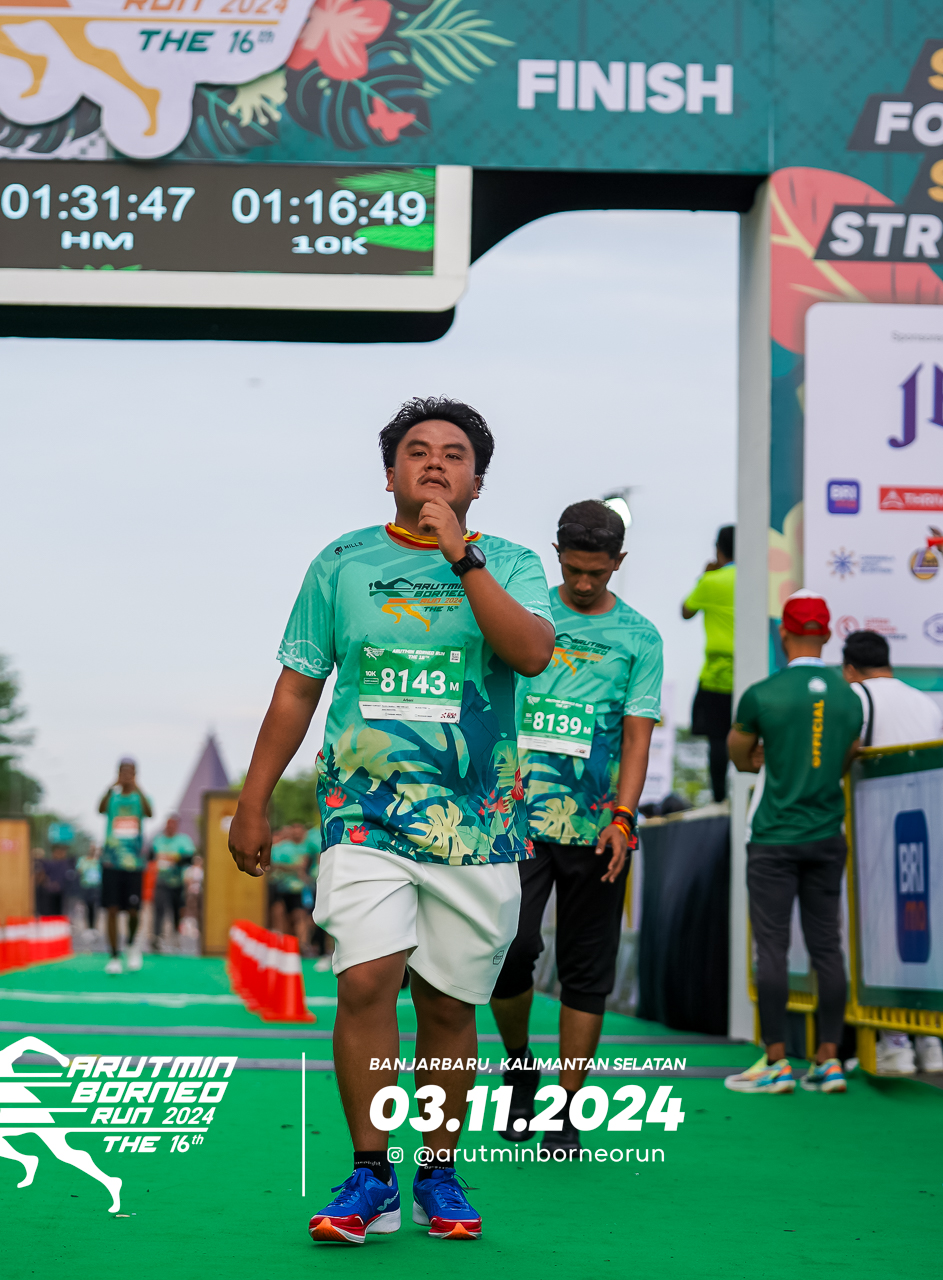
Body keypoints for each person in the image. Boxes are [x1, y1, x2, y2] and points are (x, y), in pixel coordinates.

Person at [228, 397, 552, 1244]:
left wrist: (461, 556)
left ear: (478, 481)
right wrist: (254, 799)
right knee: (366, 981)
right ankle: (370, 1172)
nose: (435, 463)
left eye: (454, 454)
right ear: (389, 474)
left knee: (447, 1003)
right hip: (364, 812)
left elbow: (530, 653)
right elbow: (298, 687)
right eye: (417, 450)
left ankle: (437, 1174)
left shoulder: (512, 563)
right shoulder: (341, 563)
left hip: (477, 823)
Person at [491, 500, 660, 1154]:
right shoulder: (526, 615)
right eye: (573, 569)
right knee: (511, 949)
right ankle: (519, 1064)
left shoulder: (641, 638)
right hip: (515, 820)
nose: (585, 583)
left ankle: (565, 1108)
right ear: (557, 555)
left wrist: (624, 816)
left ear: (620, 562)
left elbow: (638, 738)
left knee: (587, 970)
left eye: (598, 572)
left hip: (598, 828)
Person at [723, 591, 862, 1096]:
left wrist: (768, 755)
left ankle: (778, 1061)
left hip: (774, 837)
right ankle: (830, 1060)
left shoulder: (763, 694)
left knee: (772, 948)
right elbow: (847, 754)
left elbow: (740, 757)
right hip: (827, 834)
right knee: (828, 947)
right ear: (826, 634)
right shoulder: (851, 697)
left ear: (783, 633)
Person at [837, 631, 943, 1076]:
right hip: (925, 832)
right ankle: (931, 1041)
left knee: (880, 937)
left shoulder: (855, 698)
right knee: (921, 939)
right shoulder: (926, 703)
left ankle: (895, 1043)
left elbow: (844, 755)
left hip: (876, 833)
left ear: (850, 669)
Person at [682, 525, 736, 801]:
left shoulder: (711, 581)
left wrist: (705, 576)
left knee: (717, 739)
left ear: (718, 549)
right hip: (751, 672)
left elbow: (686, 611)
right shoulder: (756, 580)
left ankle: (719, 799)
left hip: (716, 674)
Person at [97, 758, 153, 974]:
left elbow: (150, 813)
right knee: (111, 909)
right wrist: (111, 786)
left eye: (130, 772)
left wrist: (138, 787)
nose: (126, 776)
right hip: (111, 861)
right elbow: (99, 809)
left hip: (134, 864)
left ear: (136, 774)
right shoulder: (112, 797)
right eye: (123, 772)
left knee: (133, 911)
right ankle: (113, 956)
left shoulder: (140, 798)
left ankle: (131, 945)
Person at [267, 820, 315, 952]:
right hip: (281, 887)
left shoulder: (308, 847)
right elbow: (273, 865)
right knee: (281, 916)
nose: (296, 832)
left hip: (300, 889)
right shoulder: (280, 848)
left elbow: (307, 864)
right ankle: (284, 946)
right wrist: (293, 868)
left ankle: (303, 946)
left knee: (300, 916)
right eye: (294, 829)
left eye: (299, 829)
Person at [148, 815, 195, 949]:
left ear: (176, 826)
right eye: (168, 824)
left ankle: (176, 934)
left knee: (177, 910)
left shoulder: (183, 840)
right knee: (159, 908)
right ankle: (156, 937)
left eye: (172, 824)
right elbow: (150, 856)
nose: (170, 827)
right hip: (162, 880)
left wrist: (175, 859)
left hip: (178, 881)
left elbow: (190, 858)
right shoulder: (158, 840)